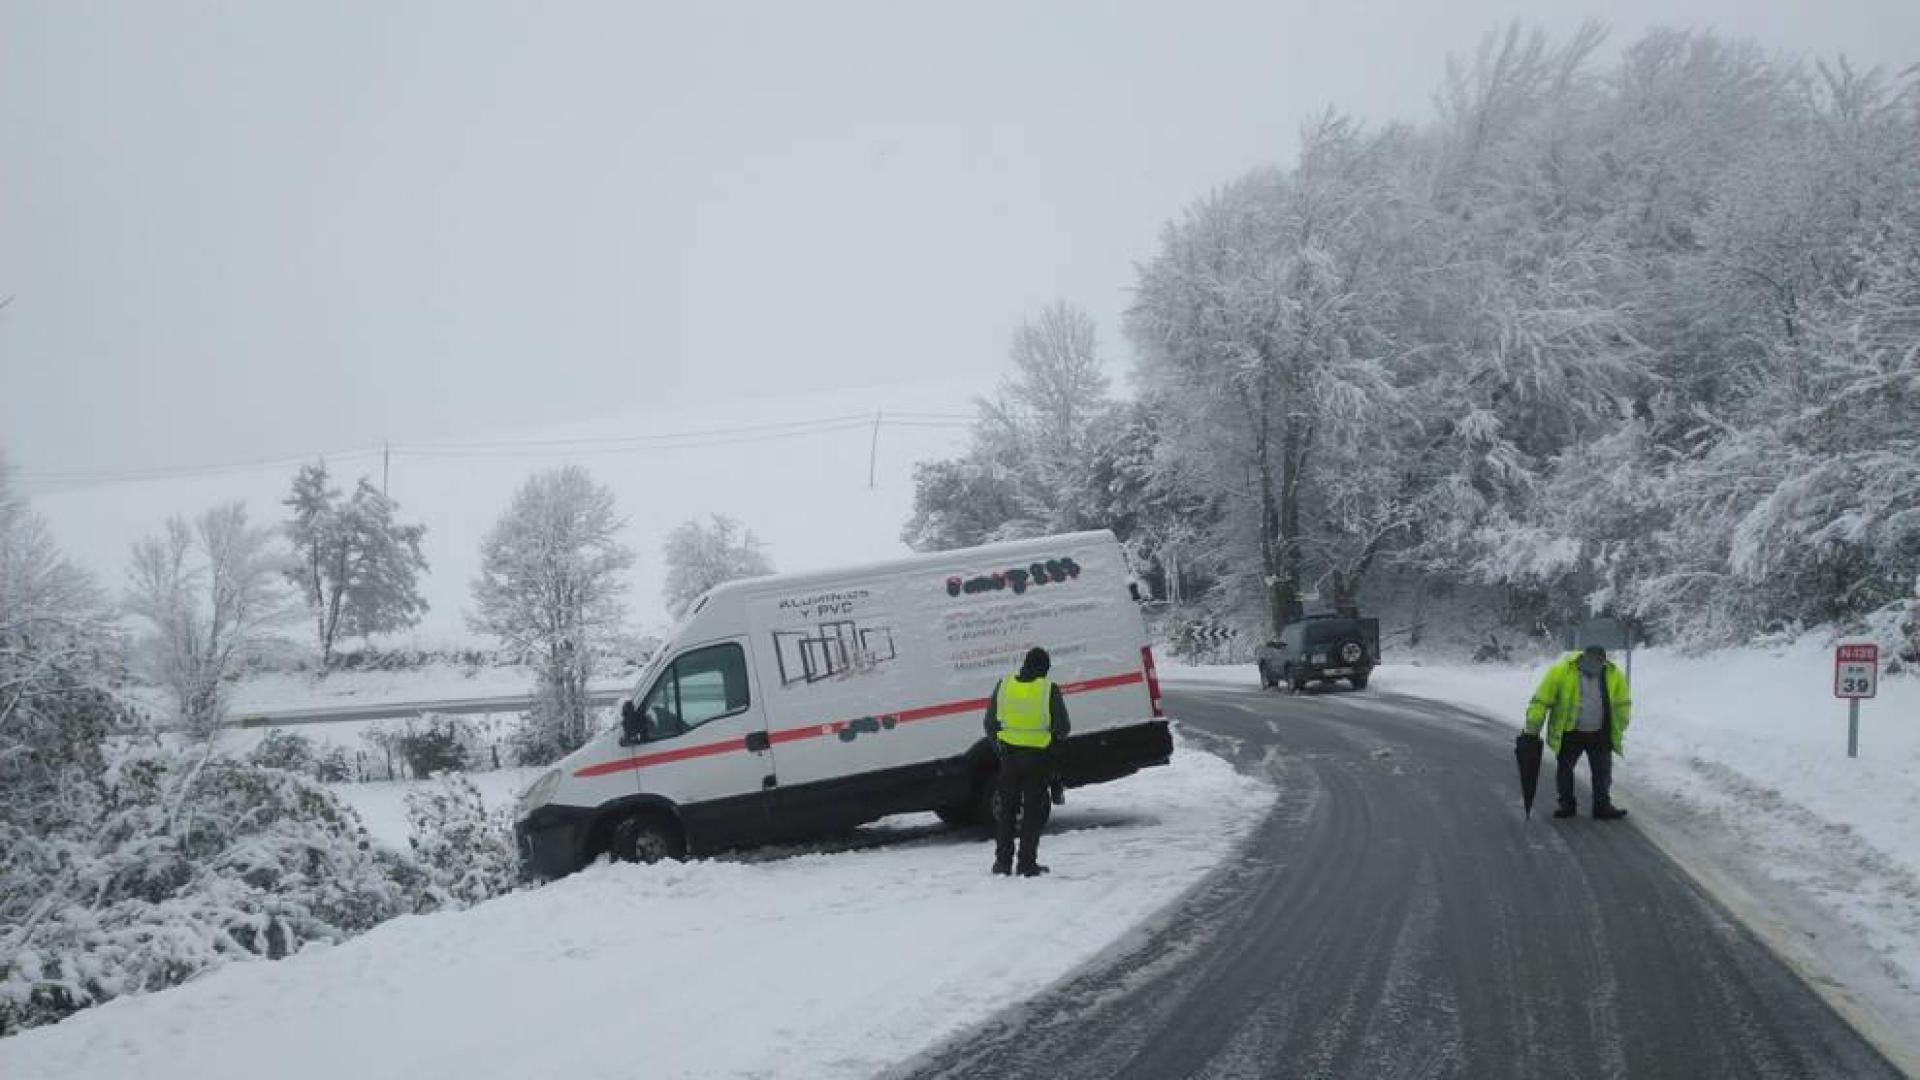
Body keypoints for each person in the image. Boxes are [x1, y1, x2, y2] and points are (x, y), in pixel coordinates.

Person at [983, 647, 1071, 877]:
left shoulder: (1004, 685)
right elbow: (1063, 728)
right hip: (1037, 759)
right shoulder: (1048, 689)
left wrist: (1000, 748)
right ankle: (1027, 864)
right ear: (1044, 668)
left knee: (1007, 812)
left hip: (1009, 759)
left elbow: (989, 724)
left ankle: (1002, 863)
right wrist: (1051, 744)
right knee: (1032, 813)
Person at [1525, 644, 1633, 819]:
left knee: (1602, 772)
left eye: (1599, 662)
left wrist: (1621, 723)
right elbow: (1542, 699)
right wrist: (1533, 725)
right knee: (1565, 770)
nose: (1594, 666)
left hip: (1600, 731)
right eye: (1591, 660)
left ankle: (1602, 806)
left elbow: (1622, 702)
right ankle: (1567, 804)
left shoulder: (1612, 674)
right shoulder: (1562, 671)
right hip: (1571, 731)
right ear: (1582, 657)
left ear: (1603, 662)